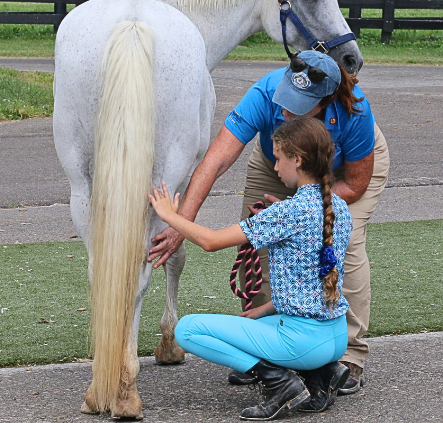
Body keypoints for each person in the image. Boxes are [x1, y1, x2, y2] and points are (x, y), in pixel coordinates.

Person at [149, 50, 390, 395]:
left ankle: (348, 356)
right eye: (286, 100)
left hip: (347, 169)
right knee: (260, 245)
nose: (286, 110)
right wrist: (180, 224)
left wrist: (297, 212)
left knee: (342, 249)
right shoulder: (265, 93)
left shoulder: (356, 113)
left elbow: (354, 184)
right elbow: (215, 160)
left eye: (298, 105)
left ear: (324, 102)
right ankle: (274, 351)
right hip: (278, 155)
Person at [149, 116, 352, 421]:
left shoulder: (288, 210)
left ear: (297, 160)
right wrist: (265, 309)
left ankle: (282, 384)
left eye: (279, 158)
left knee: (187, 330)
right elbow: (312, 280)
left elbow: (211, 241)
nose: (275, 167)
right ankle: (322, 375)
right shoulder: (339, 206)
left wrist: (170, 216)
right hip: (336, 336)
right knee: (254, 326)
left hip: (303, 342)